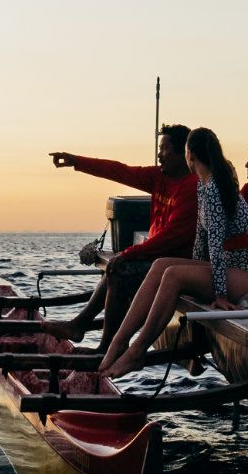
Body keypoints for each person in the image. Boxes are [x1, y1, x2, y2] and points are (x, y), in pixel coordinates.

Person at [99, 127, 248, 379]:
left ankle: (137, 351)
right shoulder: (203, 185)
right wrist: (195, 269)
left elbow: (217, 247)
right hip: (229, 268)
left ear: (189, 155)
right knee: (161, 265)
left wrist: (219, 294)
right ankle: (118, 343)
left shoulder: (216, 189)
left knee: (174, 276)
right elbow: (201, 240)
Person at [47, 125, 198, 349]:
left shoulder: (192, 187)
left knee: (120, 267)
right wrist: (77, 161)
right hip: (155, 258)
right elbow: (120, 171)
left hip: (176, 263)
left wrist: (128, 254)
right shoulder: (158, 177)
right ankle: (79, 325)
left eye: (165, 149)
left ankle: (107, 347)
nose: (159, 155)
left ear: (183, 154)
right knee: (115, 267)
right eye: (159, 148)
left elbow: (171, 237)